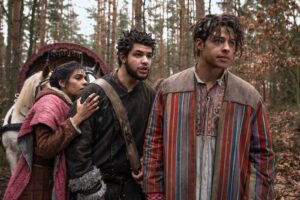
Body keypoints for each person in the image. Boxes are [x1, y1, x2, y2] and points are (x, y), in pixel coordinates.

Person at [143, 14, 275, 200]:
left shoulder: (249, 97)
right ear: (199, 44)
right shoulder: (169, 89)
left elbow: (263, 156)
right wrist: (154, 192)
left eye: (232, 43)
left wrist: (255, 196)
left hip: (228, 192)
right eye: (218, 41)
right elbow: (154, 142)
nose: (227, 48)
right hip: (178, 192)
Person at [66, 29, 156, 200]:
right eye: (138, 54)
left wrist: (146, 163)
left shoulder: (150, 95)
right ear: (123, 57)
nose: (145, 61)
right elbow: (77, 149)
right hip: (99, 189)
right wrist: (92, 191)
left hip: (133, 190)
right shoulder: (94, 93)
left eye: (149, 56)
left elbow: (153, 139)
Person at [3, 61, 99, 200]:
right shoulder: (48, 103)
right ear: (62, 83)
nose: (85, 82)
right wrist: (78, 118)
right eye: (78, 78)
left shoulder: (66, 102)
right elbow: (44, 148)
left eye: (85, 78)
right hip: (40, 185)